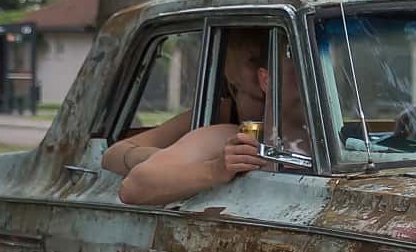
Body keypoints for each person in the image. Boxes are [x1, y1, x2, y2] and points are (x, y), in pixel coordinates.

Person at [117, 36, 308, 207]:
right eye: (299, 68)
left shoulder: (337, 141)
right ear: (266, 79)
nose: (309, 82)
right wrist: (216, 169)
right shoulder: (232, 137)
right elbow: (133, 187)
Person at [102, 31, 265, 176]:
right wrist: (181, 160)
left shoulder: (287, 117)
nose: (266, 70)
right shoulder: (218, 113)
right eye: (254, 60)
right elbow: (112, 156)